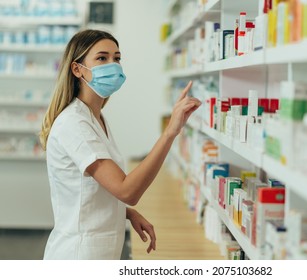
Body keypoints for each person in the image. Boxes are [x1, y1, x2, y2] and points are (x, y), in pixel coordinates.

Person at [39, 29, 201, 260]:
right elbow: (127, 190)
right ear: (77, 69)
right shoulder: (74, 124)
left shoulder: (95, 117)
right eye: (102, 58)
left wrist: (124, 213)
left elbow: (89, 192)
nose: (113, 65)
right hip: (78, 255)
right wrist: (170, 133)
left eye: (117, 58)